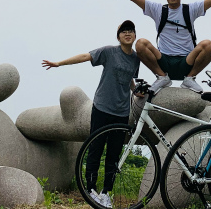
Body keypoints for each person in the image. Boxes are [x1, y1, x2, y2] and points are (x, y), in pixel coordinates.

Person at [42, 20, 140, 208]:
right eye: (124, 31)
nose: (128, 33)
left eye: (131, 31)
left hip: (122, 112)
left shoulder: (136, 58)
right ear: (118, 36)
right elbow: (85, 56)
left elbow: (129, 80)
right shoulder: (109, 52)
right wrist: (59, 63)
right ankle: (91, 190)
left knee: (114, 154)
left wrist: (135, 91)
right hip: (102, 108)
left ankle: (105, 193)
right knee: (96, 149)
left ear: (135, 36)